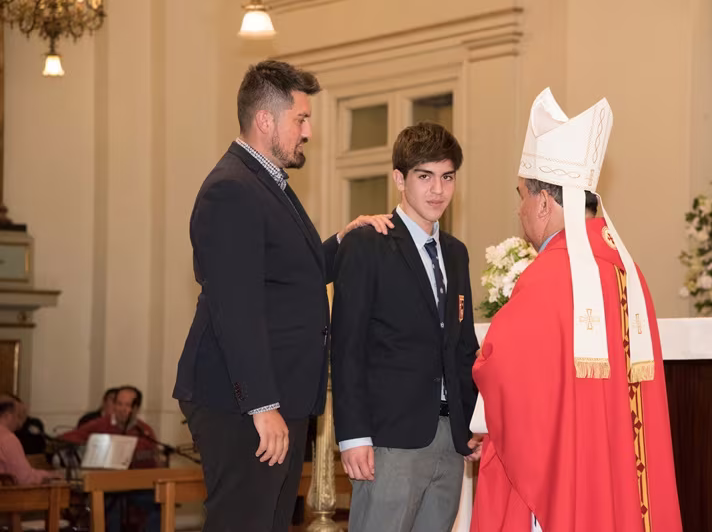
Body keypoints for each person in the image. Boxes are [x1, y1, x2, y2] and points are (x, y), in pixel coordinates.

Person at [172, 59, 394, 532]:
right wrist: (261, 405)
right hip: (241, 401)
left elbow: (289, 276)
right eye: (301, 119)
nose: (308, 131)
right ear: (265, 121)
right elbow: (236, 307)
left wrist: (344, 240)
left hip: (277, 394)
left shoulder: (265, 182)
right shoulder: (231, 190)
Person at [470, 88, 682, 531]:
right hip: (618, 482)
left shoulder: (548, 277)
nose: (519, 209)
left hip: (568, 483)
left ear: (544, 203)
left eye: (522, 195)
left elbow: (501, 370)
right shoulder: (628, 273)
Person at [332, 122, 481, 532]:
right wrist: (353, 436)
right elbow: (347, 346)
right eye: (425, 176)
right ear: (399, 179)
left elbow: (463, 346)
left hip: (449, 438)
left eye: (447, 177)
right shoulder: (368, 243)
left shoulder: (456, 253)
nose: (438, 190)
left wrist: (470, 424)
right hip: (388, 439)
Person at [61, 385, 160, 469]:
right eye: (119, 404)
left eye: (127, 405)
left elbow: (154, 461)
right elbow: (67, 438)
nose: (122, 409)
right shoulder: (99, 425)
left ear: (136, 408)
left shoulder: (144, 431)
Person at [0, 398, 59, 485]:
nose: (19, 423)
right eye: (18, 416)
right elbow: (24, 478)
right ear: (8, 416)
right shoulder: (8, 439)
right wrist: (49, 475)